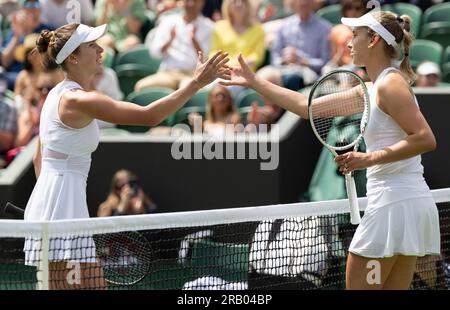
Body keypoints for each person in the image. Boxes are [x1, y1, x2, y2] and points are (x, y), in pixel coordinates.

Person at [222, 10, 440, 290]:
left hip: (393, 204)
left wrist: (367, 159)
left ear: (373, 39)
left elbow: (424, 138)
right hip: (405, 205)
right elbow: (306, 107)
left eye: (355, 35)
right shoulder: (371, 89)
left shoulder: (390, 84)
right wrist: (254, 82)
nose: (349, 43)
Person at [23, 22, 229, 289]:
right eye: (91, 46)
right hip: (63, 207)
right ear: (73, 57)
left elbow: (38, 158)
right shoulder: (78, 100)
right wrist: (197, 83)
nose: (100, 49)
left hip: (57, 202)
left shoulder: (54, 96)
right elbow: (149, 116)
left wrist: (48, 199)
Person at [135, 0, 213, 91]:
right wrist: (169, 41)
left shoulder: (209, 26)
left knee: (190, 91)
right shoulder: (168, 21)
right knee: (141, 87)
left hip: (193, 75)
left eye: (195, 1)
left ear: (202, 2)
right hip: (168, 73)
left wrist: (195, 42)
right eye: (187, 1)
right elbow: (154, 53)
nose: (191, 4)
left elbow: (206, 60)